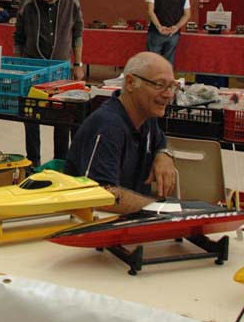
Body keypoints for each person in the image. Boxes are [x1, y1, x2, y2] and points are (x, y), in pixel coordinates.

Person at [64, 52, 178, 214]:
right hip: (98, 221)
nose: (168, 94)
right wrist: (159, 208)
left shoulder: (146, 117)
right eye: (159, 85)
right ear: (130, 83)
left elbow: (161, 142)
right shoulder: (108, 126)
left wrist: (164, 154)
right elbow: (101, 196)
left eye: (172, 86)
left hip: (131, 219)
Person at [13, 0, 85, 166]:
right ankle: (33, 162)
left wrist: (78, 64)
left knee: (63, 118)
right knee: (31, 117)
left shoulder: (72, 1)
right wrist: (18, 66)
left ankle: (60, 161)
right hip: (32, 69)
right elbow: (18, 38)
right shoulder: (27, 5)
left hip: (61, 69)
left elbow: (78, 33)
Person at [145, 0, 190, 64]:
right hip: (173, 34)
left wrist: (159, 27)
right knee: (168, 63)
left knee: (153, 62)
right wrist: (176, 27)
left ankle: (153, 75)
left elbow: (150, 11)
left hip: (156, 32)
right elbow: (187, 15)